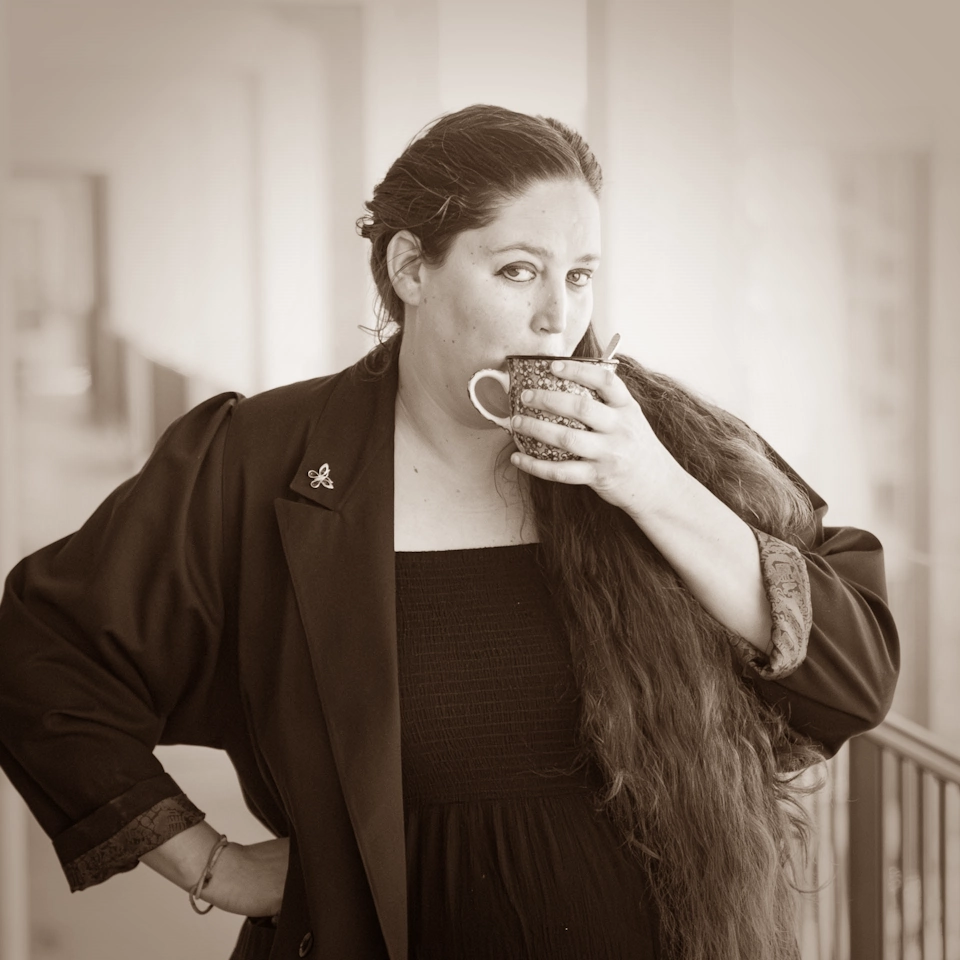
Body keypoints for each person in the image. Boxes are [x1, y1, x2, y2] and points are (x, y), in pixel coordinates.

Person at [0, 104, 898, 960]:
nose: (558, 317)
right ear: (410, 269)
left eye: (579, 275)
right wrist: (214, 866)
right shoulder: (263, 457)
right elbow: (43, 653)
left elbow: (853, 676)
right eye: (518, 271)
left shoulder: (655, 441)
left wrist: (653, 487)